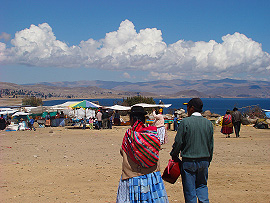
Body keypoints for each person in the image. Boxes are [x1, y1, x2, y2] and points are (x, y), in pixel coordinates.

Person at [116, 106, 169, 202]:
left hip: (132, 176)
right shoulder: (152, 134)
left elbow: (122, 151)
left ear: (132, 119)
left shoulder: (129, 135)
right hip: (152, 176)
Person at [170, 98, 214, 203]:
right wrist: (209, 159)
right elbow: (210, 144)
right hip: (204, 160)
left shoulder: (185, 122)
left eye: (188, 107)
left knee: (190, 190)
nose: (187, 110)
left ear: (192, 108)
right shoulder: (208, 124)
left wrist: (174, 154)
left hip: (189, 161)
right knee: (202, 185)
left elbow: (179, 142)